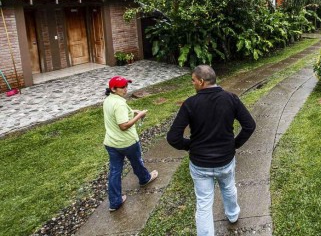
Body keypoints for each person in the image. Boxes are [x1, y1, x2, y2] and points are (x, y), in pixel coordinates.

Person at [167, 65, 256, 236]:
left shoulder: (190, 104)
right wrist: (234, 144)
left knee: (204, 203)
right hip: (225, 160)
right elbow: (249, 126)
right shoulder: (231, 98)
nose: (192, 84)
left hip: (200, 164)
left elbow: (173, 138)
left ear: (201, 81)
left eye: (193, 80)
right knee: (228, 187)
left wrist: (190, 146)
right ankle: (232, 215)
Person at [103, 76, 158, 212]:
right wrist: (140, 115)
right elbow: (123, 125)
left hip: (111, 143)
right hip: (127, 142)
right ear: (113, 89)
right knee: (137, 161)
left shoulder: (108, 100)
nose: (126, 89)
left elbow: (116, 113)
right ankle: (145, 179)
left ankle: (115, 202)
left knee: (115, 171)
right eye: (122, 87)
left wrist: (132, 111)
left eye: (126, 86)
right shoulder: (120, 103)